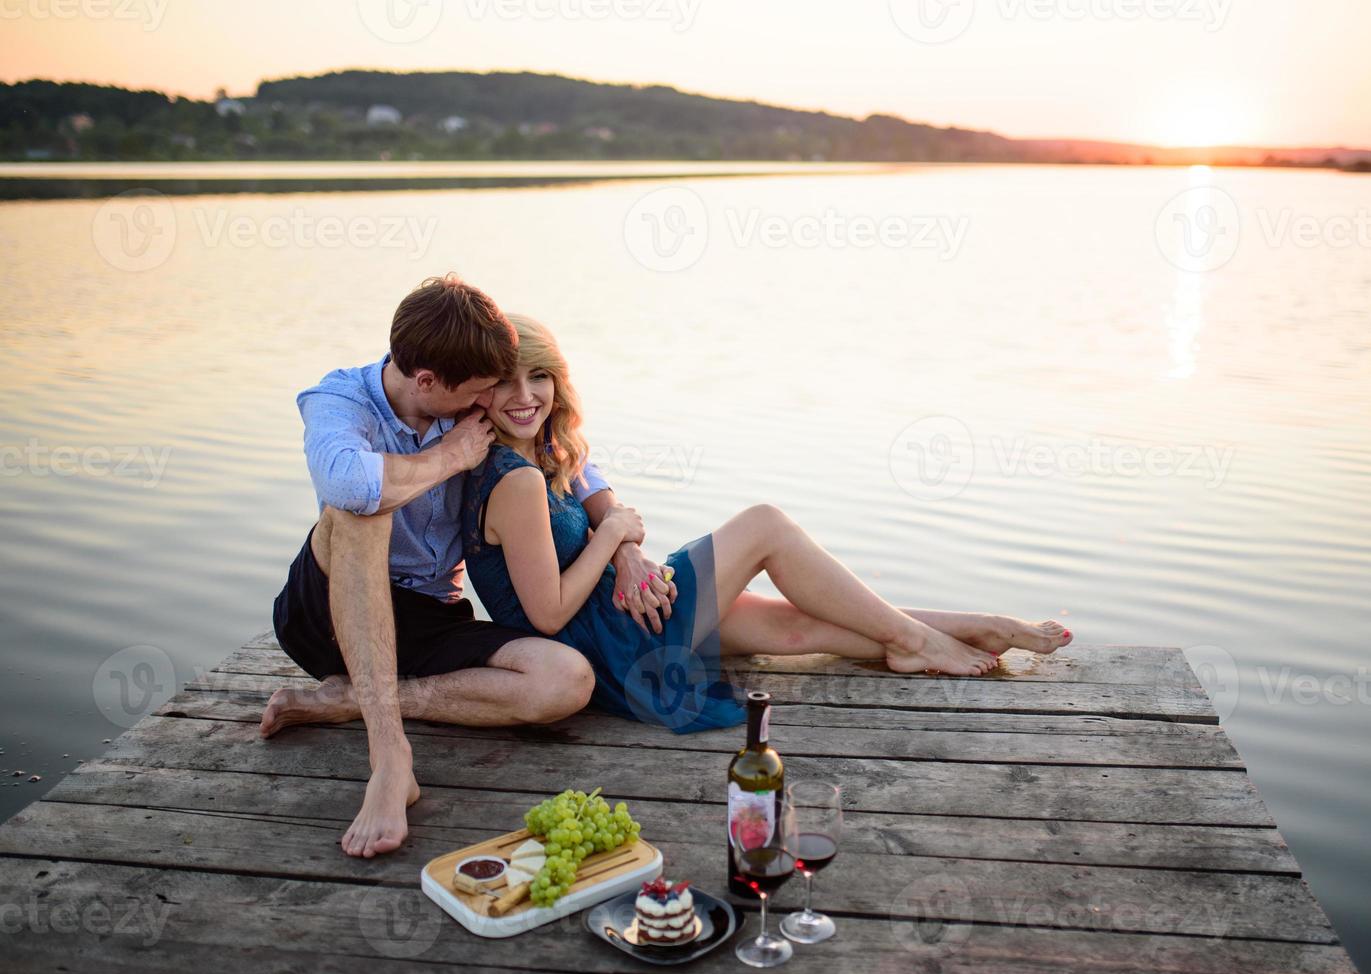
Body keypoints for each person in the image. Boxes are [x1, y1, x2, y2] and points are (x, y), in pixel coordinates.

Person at [462, 314, 1073, 733]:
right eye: (508, 381)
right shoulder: (514, 480)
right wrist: (615, 536)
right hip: (604, 643)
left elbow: (599, 500)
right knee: (764, 525)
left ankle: (971, 629)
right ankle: (917, 639)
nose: (526, 393)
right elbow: (545, 614)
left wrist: (619, 540)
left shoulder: (541, 454)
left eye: (538, 375)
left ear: (556, 381)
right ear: (481, 393)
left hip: (620, 622)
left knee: (797, 628)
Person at [257, 275, 674, 859]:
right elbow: (349, 483)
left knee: (566, 679)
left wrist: (624, 544)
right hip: (325, 610)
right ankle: (389, 759)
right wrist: (446, 456)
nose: (492, 402)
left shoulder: (462, 379)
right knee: (364, 508)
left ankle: (351, 700)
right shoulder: (339, 401)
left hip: (429, 616)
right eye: (482, 391)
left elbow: (568, 456)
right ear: (427, 382)